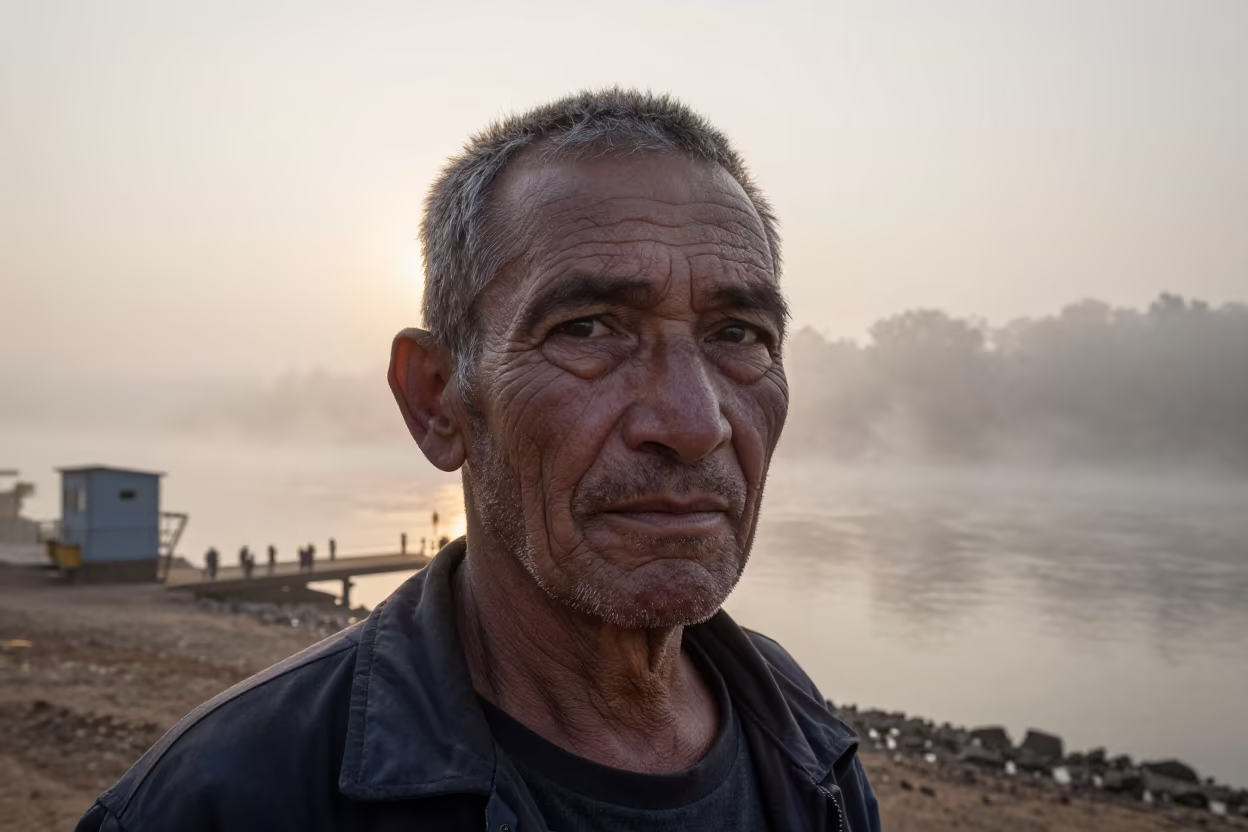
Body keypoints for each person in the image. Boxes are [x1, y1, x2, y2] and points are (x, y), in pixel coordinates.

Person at [77, 89, 879, 832]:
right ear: (436, 401)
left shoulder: (803, 739)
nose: (694, 424)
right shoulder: (226, 800)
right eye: (589, 328)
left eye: (738, 335)